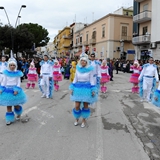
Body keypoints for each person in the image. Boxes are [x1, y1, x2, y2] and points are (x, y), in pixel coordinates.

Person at [69, 53, 97, 128]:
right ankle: (77, 118)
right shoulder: (78, 69)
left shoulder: (90, 70)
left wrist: (93, 90)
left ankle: (84, 120)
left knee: (85, 106)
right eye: (82, 61)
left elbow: (92, 80)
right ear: (80, 62)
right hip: (78, 89)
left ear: (87, 62)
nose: (83, 62)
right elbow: (75, 79)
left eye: (84, 61)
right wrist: (72, 88)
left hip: (87, 89)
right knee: (77, 105)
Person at [0, 51, 27, 125]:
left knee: (16, 105)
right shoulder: (5, 73)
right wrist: (1, 89)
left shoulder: (17, 73)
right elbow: (4, 82)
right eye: (11, 65)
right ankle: (9, 119)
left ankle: (18, 113)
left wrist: (16, 90)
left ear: (15, 66)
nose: (12, 66)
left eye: (13, 65)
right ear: (9, 65)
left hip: (15, 90)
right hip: (7, 90)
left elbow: (18, 82)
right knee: (8, 106)